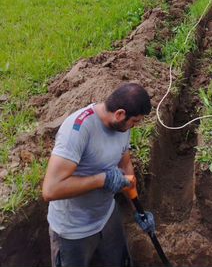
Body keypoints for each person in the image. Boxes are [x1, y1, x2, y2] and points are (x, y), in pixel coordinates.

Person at [42, 82, 153, 267]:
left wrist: (138, 211)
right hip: (73, 230)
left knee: (120, 262)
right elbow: (50, 189)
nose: (134, 127)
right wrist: (102, 180)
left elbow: (125, 165)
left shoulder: (121, 127)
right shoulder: (77, 130)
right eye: (134, 122)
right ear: (120, 114)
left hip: (106, 217)